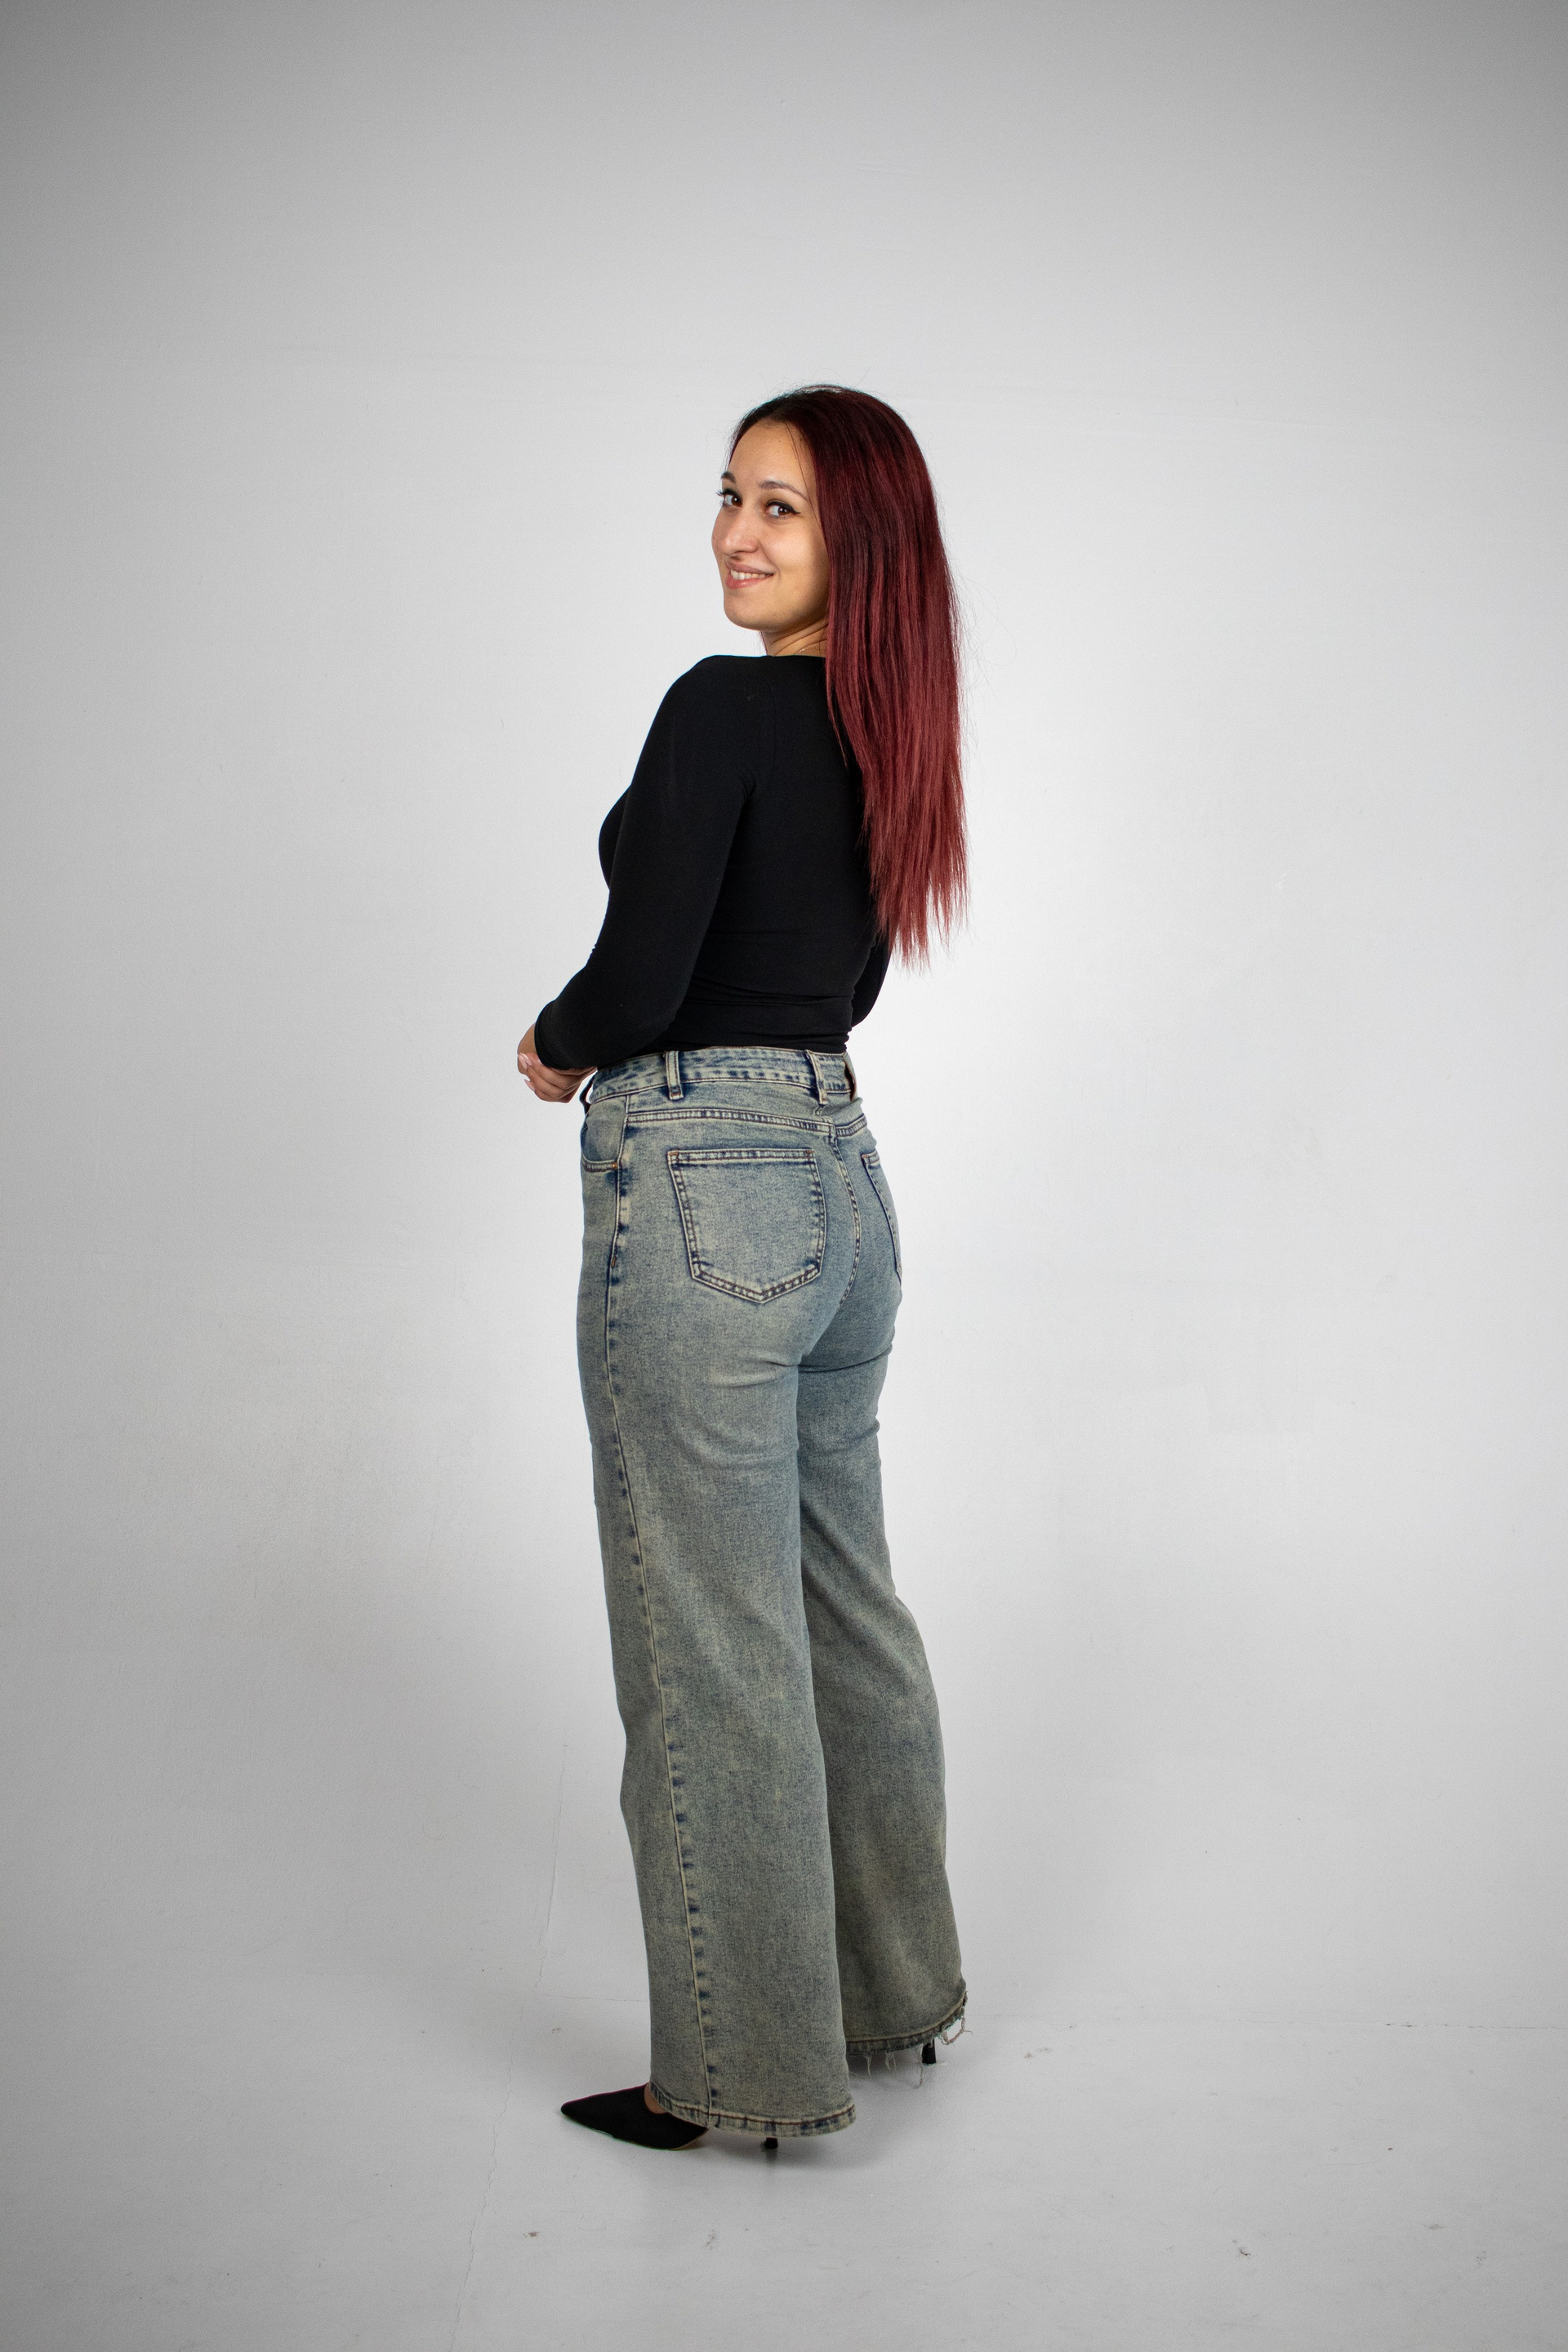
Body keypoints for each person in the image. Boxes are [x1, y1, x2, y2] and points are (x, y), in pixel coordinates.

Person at [517, 385, 966, 2151]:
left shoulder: (723, 706)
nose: (736, 532)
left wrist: (558, 1043)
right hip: (842, 1183)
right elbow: (836, 984)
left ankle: (742, 2071)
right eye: (729, 494)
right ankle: (893, 1993)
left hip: (705, 1185)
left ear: (864, 540)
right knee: (844, 1605)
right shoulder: (891, 736)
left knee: (714, 1644)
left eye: (782, 506)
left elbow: (642, 978)